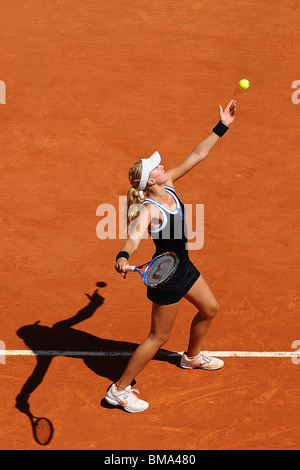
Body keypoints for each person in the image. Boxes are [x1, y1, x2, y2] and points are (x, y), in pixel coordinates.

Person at [105, 100, 237, 413]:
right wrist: (123, 256)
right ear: (150, 180)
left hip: (184, 267)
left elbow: (198, 154)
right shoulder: (150, 210)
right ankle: (119, 389)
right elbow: (134, 236)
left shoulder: (170, 185)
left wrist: (223, 126)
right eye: (157, 167)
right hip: (167, 276)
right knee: (157, 337)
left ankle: (191, 357)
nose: (163, 166)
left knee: (210, 308)